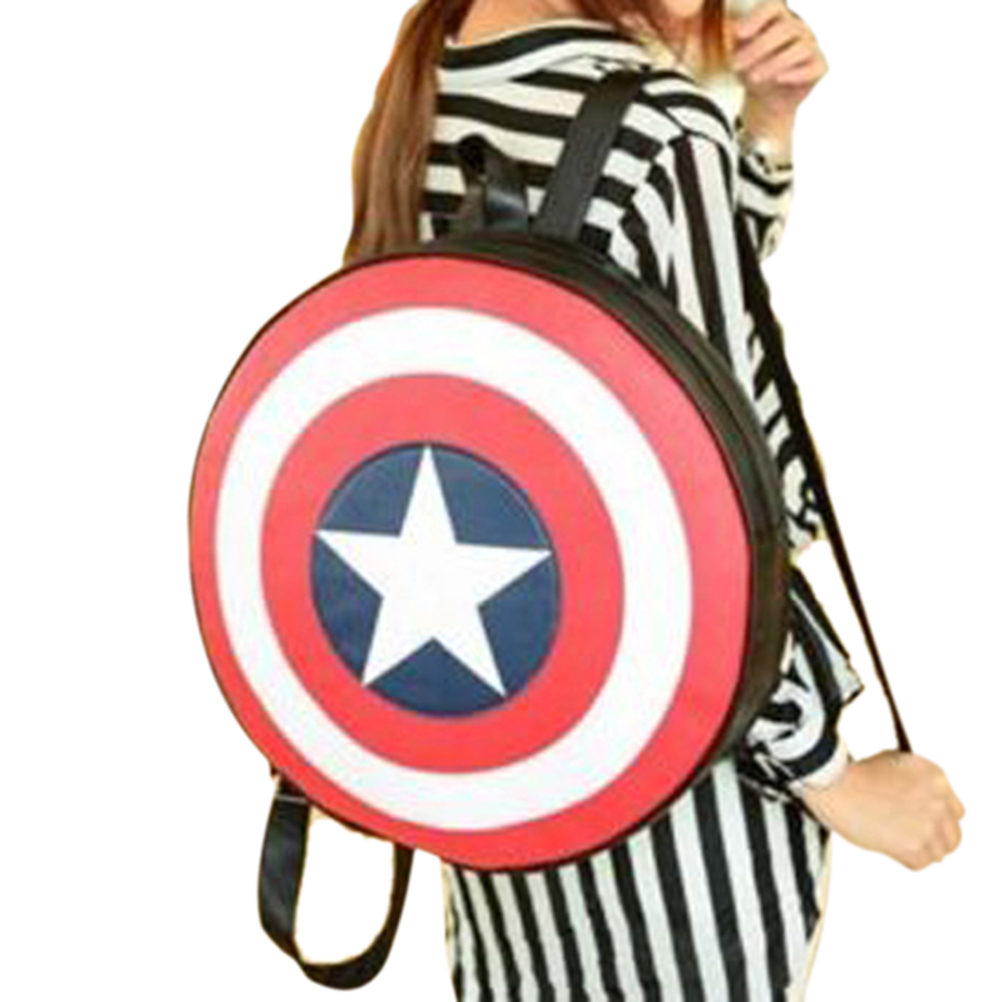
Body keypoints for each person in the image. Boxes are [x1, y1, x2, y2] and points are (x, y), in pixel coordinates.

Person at [344, 2, 965, 999]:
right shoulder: (659, 124)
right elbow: (720, 516)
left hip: (509, 783)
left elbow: (652, 310)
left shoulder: (441, 69)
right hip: (682, 823)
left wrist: (764, 125)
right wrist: (832, 776)